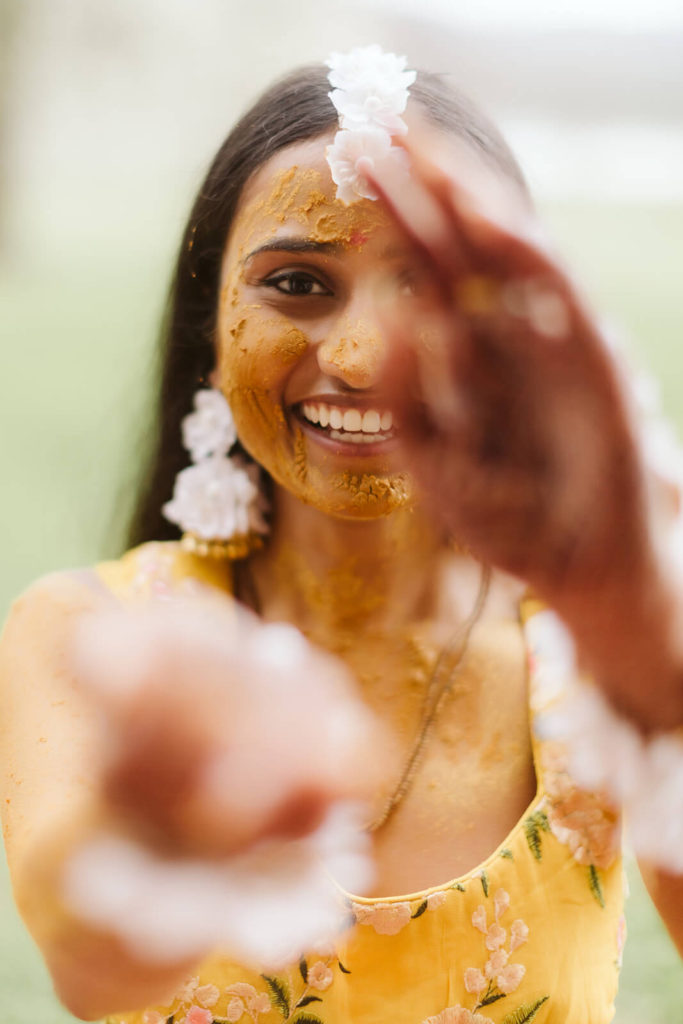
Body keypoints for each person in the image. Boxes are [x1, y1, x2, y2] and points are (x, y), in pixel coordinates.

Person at [1, 46, 682, 1024]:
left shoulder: (594, 661)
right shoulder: (85, 635)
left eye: (426, 291)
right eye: (298, 283)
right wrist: (162, 831)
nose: (360, 358)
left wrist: (650, 672)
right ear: (211, 315)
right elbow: (88, 968)